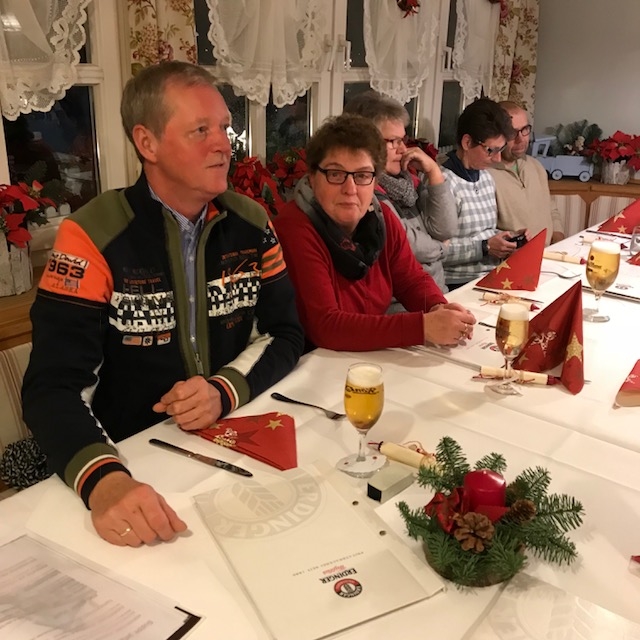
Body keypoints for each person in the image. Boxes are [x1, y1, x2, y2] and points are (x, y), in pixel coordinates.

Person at [22, 61, 304, 547]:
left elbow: (286, 334)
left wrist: (222, 390)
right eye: (201, 130)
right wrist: (105, 481)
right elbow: (51, 387)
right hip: (132, 461)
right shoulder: (89, 235)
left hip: (235, 443)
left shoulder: (253, 223)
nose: (223, 144)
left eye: (224, 128)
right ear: (147, 143)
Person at [272, 113, 476, 352]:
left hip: (365, 355)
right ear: (313, 178)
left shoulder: (381, 217)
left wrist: (438, 307)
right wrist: (422, 327)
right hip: (311, 360)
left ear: (375, 181)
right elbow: (326, 327)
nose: (350, 189)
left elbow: (410, 279)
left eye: (362, 175)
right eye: (335, 174)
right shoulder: (295, 227)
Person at [343, 90, 456, 295]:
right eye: (394, 141)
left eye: (403, 140)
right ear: (365, 142)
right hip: (401, 304)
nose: (403, 149)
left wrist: (434, 172)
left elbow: (445, 229)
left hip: (438, 293)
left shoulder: (408, 180)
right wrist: (443, 248)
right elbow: (409, 246)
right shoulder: (364, 192)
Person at [441, 98, 520, 290]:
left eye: (501, 149)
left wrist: (509, 239)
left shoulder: (486, 177)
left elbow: (485, 232)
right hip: (457, 283)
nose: (498, 158)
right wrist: (484, 247)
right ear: (467, 142)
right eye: (491, 150)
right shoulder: (443, 183)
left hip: (490, 276)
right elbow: (436, 251)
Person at [489, 101, 565, 246]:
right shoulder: (485, 176)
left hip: (549, 254)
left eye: (525, 129)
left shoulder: (536, 166)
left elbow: (551, 208)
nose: (521, 139)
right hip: (515, 257)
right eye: (512, 132)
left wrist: (558, 237)